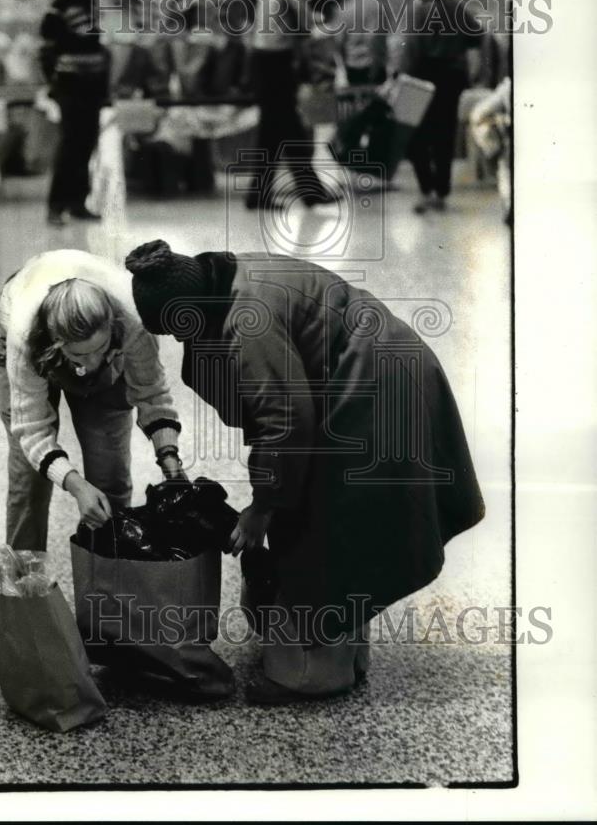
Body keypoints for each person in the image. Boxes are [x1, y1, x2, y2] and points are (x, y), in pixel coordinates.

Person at [125, 239, 484, 704]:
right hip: (387, 370)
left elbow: (286, 421)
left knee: (321, 529)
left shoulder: (247, 326)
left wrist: (263, 508)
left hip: (372, 397)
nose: (179, 339)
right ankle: (346, 651)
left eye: (176, 330)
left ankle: (312, 673)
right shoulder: (227, 275)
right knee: (338, 523)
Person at [0, 249, 185, 551]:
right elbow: (31, 429)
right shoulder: (26, 335)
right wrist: (76, 485)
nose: (92, 362)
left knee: (111, 477)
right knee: (28, 481)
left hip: (108, 346)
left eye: (100, 347)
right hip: (27, 322)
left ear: (112, 325)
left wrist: (169, 459)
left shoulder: (132, 320)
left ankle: (105, 574)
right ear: (57, 343)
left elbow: (152, 394)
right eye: (81, 354)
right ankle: (24, 585)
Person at [250, 0, 339, 210]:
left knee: (275, 132)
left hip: (267, 60)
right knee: (288, 129)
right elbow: (305, 23)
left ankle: (261, 194)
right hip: (276, 61)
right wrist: (330, 23)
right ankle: (308, 191)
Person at [399, 0, 483, 213]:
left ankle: (427, 188)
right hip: (451, 77)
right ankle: (441, 191)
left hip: (421, 75)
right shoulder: (456, 8)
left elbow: (411, 51)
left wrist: (400, 76)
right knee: (443, 135)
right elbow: (476, 36)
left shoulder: (417, 11)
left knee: (413, 135)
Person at [40, 0, 110, 224]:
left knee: (85, 143)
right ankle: (56, 206)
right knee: (72, 145)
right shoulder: (66, 4)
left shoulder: (88, 2)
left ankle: (77, 202)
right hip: (72, 84)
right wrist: (53, 83)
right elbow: (48, 48)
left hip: (89, 83)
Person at [336, 0, 389, 86]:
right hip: (372, 65)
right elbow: (372, 38)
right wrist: (376, 66)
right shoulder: (378, 6)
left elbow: (339, 41)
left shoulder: (346, 7)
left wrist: (344, 66)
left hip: (352, 65)